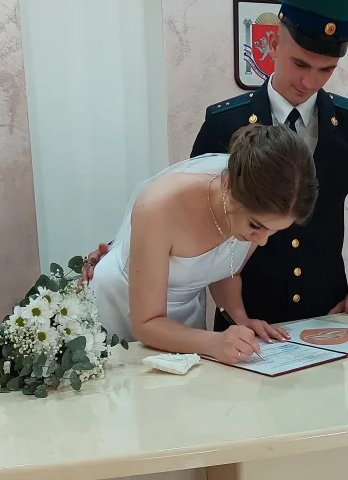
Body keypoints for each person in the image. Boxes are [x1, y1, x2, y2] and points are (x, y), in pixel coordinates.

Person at [85, 0, 348, 327]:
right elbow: (188, 201)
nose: (309, 82)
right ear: (274, 44)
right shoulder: (226, 121)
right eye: (300, 64)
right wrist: (120, 252)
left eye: (326, 69)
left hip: (325, 311)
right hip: (244, 313)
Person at [91, 123, 317, 366]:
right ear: (228, 185)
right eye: (256, 226)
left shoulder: (254, 207)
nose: (262, 240)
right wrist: (214, 342)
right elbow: (145, 323)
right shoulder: (160, 206)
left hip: (184, 318)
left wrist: (240, 319)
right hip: (124, 309)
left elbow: (225, 267)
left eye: (273, 231)